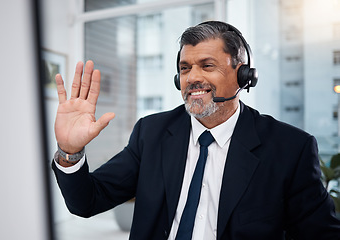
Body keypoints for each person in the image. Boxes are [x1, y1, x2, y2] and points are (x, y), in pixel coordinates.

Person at [51, 21, 340, 240]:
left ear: (243, 75)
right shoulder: (151, 132)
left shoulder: (290, 147)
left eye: (207, 65)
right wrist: (70, 152)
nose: (193, 78)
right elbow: (87, 201)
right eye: (186, 68)